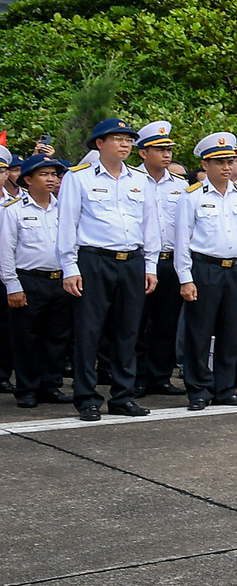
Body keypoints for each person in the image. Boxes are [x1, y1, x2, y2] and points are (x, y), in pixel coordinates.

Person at [58, 118, 161, 420]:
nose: (125, 144)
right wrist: (69, 267)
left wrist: (150, 265)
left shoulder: (140, 180)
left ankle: (123, 395)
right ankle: (87, 397)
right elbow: (67, 224)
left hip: (132, 260)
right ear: (99, 144)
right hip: (94, 260)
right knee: (89, 332)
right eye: (117, 139)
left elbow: (149, 225)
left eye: (128, 139)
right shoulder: (79, 178)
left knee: (128, 331)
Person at [174, 133, 237, 410]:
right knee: (199, 332)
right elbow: (182, 241)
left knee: (231, 331)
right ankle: (199, 389)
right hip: (205, 267)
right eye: (219, 161)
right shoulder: (192, 197)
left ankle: (225, 387)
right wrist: (185, 278)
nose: (226, 167)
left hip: (234, 269)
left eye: (230, 160)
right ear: (205, 164)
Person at [3, 153, 71, 407]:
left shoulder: (65, 208)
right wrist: (12, 286)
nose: (51, 179)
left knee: (57, 337)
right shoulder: (13, 211)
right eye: (44, 174)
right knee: (26, 337)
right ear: (27, 180)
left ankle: (50, 385)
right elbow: (6, 251)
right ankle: (27, 388)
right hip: (29, 280)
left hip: (60, 279)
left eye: (54, 174)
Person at [132, 121, 190, 399]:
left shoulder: (180, 185)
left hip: (171, 260)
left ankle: (160, 376)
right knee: (139, 321)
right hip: (141, 261)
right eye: (159, 149)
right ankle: (137, 376)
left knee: (167, 321)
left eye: (169, 149)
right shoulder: (131, 180)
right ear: (143, 152)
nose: (166, 154)